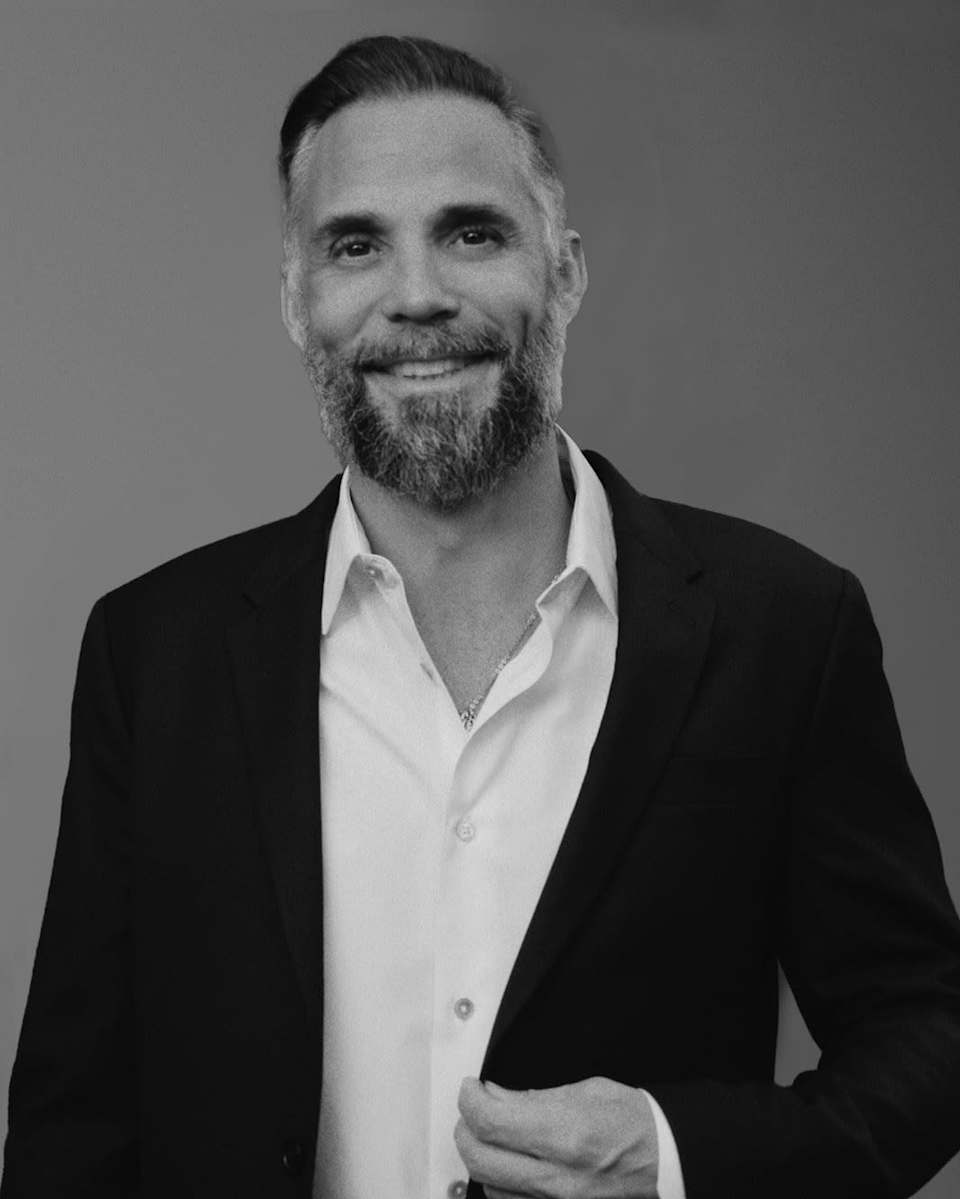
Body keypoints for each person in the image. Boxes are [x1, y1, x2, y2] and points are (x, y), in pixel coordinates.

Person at [3, 33, 960, 1199]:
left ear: (565, 273)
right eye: (356, 245)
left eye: (472, 233)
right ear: (298, 299)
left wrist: (675, 1155)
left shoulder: (786, 627)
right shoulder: (154, 653)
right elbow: (70, 1130)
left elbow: (929, 1031)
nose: (417, 295)